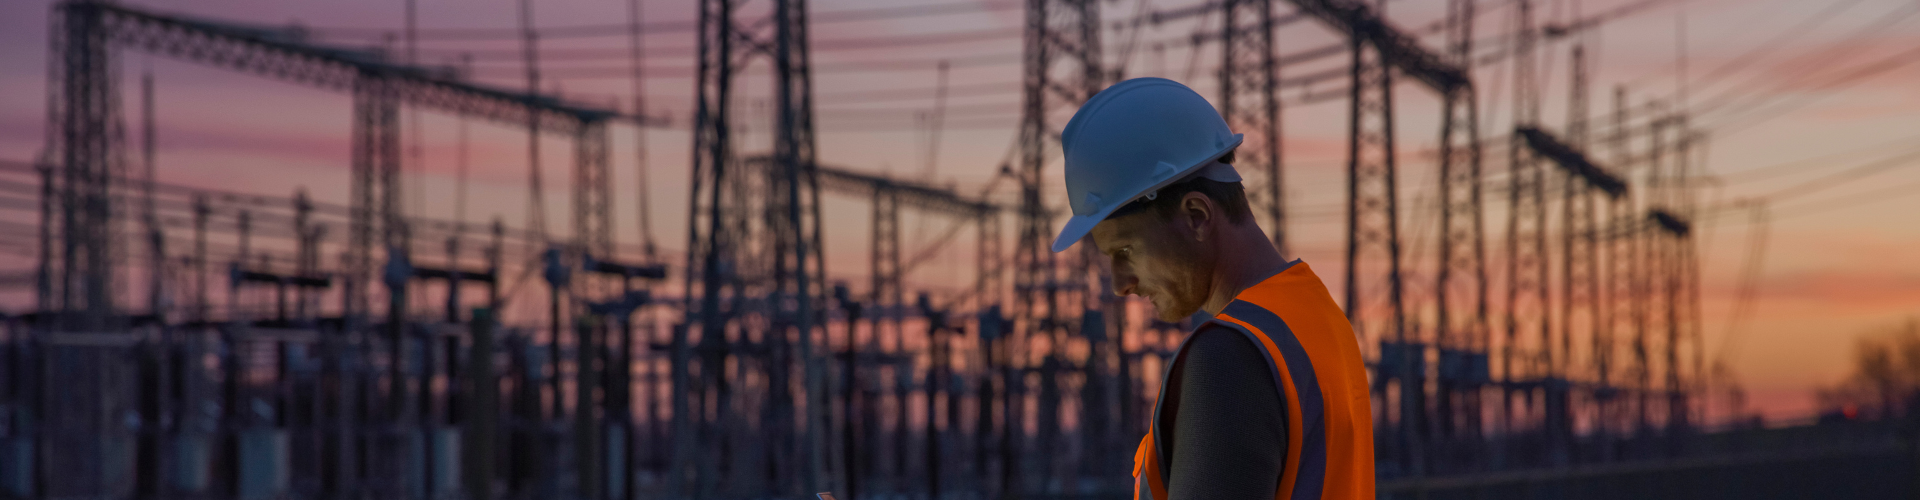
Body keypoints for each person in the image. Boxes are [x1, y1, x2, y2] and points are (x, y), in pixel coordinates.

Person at [1051, 77, 1375, 499]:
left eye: (1127, 249)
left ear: (1198, 216)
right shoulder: (1320, 321)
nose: (1120, 284)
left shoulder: (1228, 358)